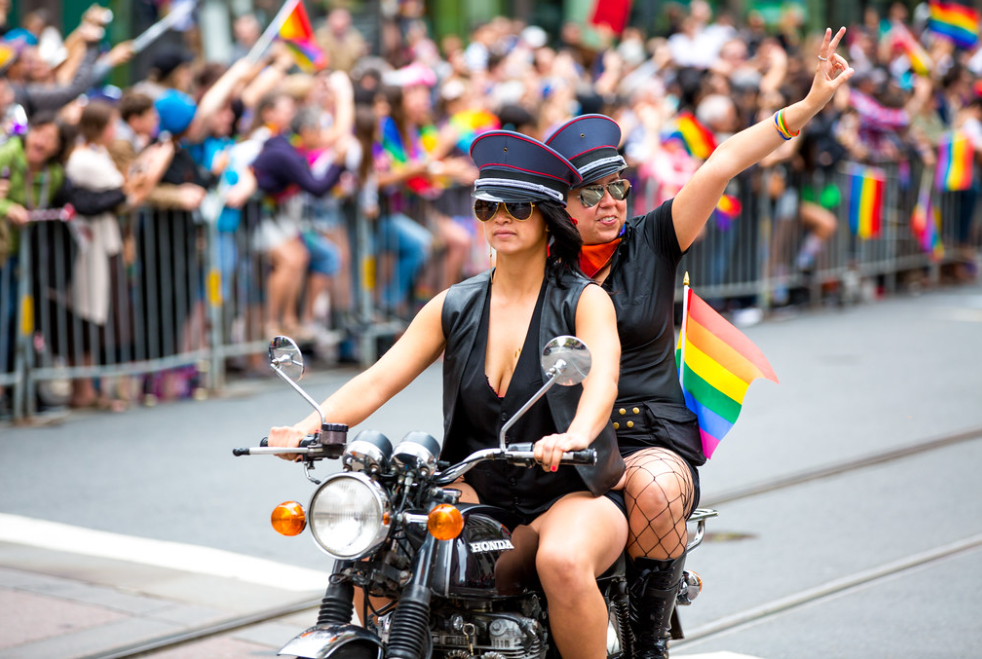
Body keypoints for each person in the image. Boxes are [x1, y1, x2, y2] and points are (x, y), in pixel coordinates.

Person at [546, 26, 854, 659]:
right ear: (560, 207)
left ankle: (648, 643)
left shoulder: (655, 238)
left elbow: (722, 161)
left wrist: (807, 106)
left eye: (618, 188)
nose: (610, 202)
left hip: (645, 431)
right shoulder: (539, 265)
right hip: (556, 432)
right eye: (591, 192)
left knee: (657, 492)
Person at [269, 131, 626, 659]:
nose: (500, 217)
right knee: (384, 544)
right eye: (487, 206)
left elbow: (603, 379)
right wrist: (307, 428)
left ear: (547, 217)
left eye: (518, 207)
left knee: (564, 562)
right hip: (477, 490)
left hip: (572, 490)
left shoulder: (584, 300)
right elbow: (378, 377)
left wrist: (572, 435)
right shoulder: (454, 305)